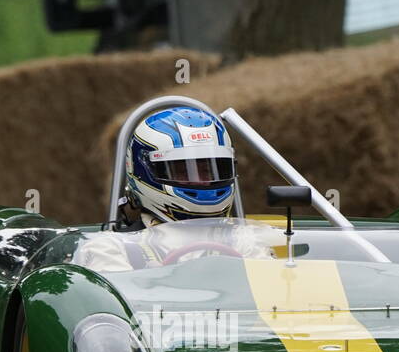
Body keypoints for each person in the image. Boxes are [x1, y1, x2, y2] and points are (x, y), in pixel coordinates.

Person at [73, 104, 280, 272]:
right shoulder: (111, 249)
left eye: (210, 171)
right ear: (145, 172)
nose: (202, 182)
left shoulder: (246, 240)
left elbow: (272, 301)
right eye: (184, 171)